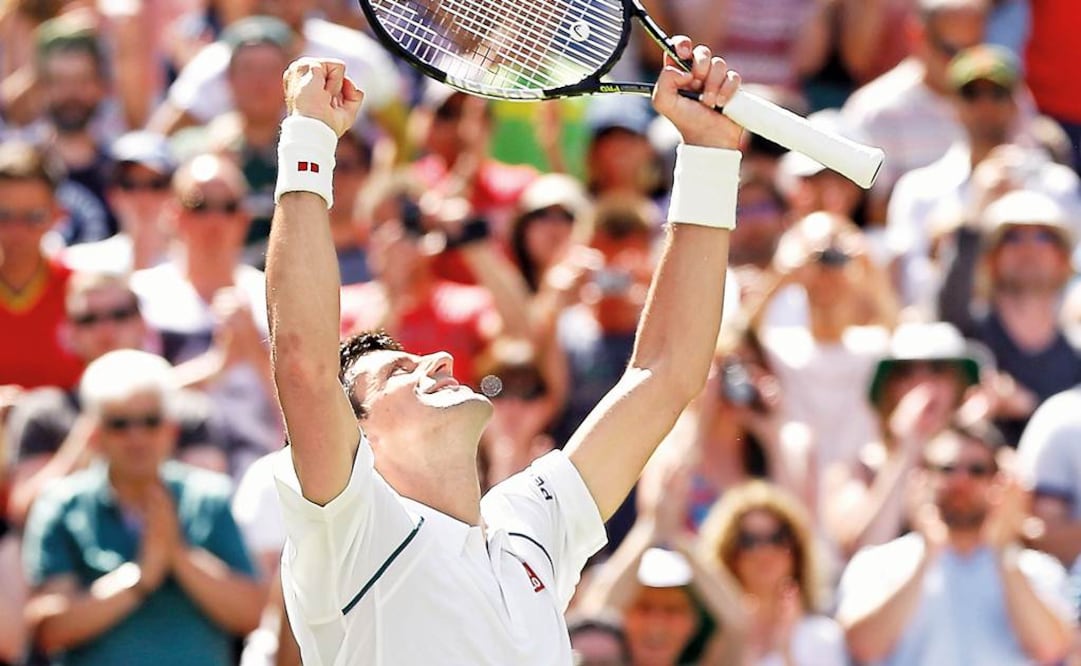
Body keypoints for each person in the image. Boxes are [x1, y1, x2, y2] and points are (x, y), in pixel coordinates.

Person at [267, 41, 743, 665]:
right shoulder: (353, 529)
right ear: (357, 437)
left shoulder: (529, 525)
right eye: (396, 373)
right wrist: (307, 138)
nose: (435, 359)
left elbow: (666, 373)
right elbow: (303, 366)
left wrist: (709, 155)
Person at [21, 350, 263, 666]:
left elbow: (254, 614)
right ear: (94, 436)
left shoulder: (208, 497)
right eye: (119, 424)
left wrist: (179, 556)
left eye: (150, 422)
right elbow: (48, 628)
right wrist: (141, 577)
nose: (137, 438)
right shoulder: (62, 505)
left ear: (171, 430)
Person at [837, 420, 1075, 665]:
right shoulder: (878, 563)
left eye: (977, 470)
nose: (961, 482)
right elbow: (862, 647)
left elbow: (1051, 649)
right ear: (921, 478)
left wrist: (1004, 549)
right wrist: (928, 554)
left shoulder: (1037, 569)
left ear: (999, 483)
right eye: (947, 468)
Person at [886, 44, 1079, 309]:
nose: (984, 105)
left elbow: (1074, 279)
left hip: (1038, 335)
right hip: (951, 339)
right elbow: (910, 291)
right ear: (953, 104)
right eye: (971, 94)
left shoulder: (1055, 184)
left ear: (1015, 103)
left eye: (997, 93)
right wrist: (972, 214)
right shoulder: (918, 189)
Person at [938, 189, 1081, 445]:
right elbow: (951, 298)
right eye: (1012, 238)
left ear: (1064, 260)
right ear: (990, 260)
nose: (1028, 248)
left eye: (1042, 237)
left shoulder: (1077, 355)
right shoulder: (965, 338)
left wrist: (1028, 406)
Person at [841, 0, 987, 221]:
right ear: (917, 37)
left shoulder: (1002, 96)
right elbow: (865, 213)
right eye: (951, 50)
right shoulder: (875, 110)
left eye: (972, 49)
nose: (962, 63)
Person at [697, 480, 847, 666]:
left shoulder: (823, 636)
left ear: (797, 550)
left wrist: (786, 650)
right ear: (729, 554)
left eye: (777, 538)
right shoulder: (708, 635)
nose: (765, 551)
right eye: (748, 540)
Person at [0, 140, 84, 390]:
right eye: (3, 216)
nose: (17, 231)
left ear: (58, 216)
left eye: (34, 217)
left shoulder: (80, 292)